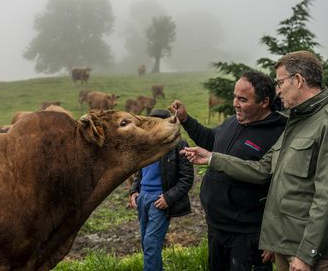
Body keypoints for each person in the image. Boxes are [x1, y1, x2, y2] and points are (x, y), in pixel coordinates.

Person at [181, 51, 328, 271]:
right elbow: (263, 170)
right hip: (284, 246)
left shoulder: (321, 122)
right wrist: (212, 158)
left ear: (298, 81)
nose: (278, 90)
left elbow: (324, 197)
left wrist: (307, 254)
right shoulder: (295, 122)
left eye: (280, 83)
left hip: (304, 253)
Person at [171, 70, 286, 271]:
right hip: (216, 226)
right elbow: (211, 140)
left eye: (242, 99)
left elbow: (278, 187)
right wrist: (186, 119)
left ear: (264, 102)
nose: (235, 103)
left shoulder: (278, 134)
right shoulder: (234, 121)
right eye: (234, 97)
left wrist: (273, 237)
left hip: (248, 235)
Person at [129, 109, 194, 271]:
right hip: (143, 199)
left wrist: (168, 198)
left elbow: (187, 178)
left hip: (160, 201)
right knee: (147, 244)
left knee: (151, 243)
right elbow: (140, 173)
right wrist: (134, 191)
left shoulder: (179, 145)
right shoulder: (146, 146)